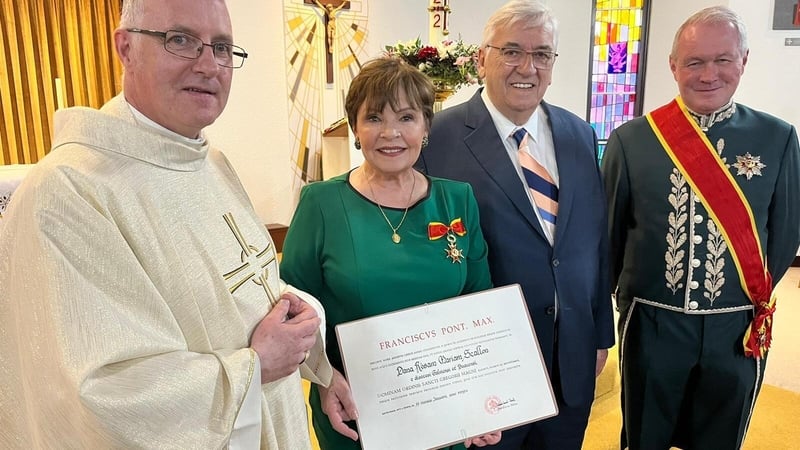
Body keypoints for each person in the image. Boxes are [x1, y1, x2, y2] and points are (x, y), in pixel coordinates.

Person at [0, 0, 333, 448]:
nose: (209, 65)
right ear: (125, 48)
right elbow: (99, 395)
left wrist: (295, 310)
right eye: (180, 40)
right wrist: (254, 366)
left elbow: (241, 290)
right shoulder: (68, 191)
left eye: (222, 47)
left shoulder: (209, 162)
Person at [415, 1, 614, 449]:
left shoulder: (580, 134)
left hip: (572, 358)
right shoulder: (436, 139)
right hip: (487, 367)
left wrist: (600, 332)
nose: (528, 66)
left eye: (542, 54)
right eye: (512, 51)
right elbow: (424, 258)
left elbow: (593, 243)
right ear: (482, 58)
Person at [602, 6, 800, 450]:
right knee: (644, 434)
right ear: (674, 66)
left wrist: (742, 291)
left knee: (720, 436)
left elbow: (786, 235)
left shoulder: (778, 137)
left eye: (723, 59)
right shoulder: (631, 139)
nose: (709, 74)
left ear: (743, 60)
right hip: (652, 320)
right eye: (694, 61)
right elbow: (609, 238)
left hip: (736, 325)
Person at [279, 56, 502, 450]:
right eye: (375, 118)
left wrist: (478, 398)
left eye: (406, 117)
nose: (391, 133)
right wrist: (325, 378)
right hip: (356, 409)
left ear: (426, 127)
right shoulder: (321, 204)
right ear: (355, 129)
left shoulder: (458, 199)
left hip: (442, 406)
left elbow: (479, 304)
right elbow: (294, 309)